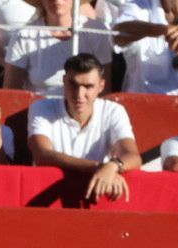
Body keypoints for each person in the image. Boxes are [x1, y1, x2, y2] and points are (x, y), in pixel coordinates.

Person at [26, 51, 139, 200]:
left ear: (101, 86)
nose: (79, 94)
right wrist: (101, 168)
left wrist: (112, 166)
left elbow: (133, 156)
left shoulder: (113, 111)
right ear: (64, 81)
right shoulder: (41, 108)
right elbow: (42, 155)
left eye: (88, 86)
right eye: (73, 84)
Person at [4, 0, 110, 92]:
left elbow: (105, 90)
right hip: (37, 111)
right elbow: (11, 91)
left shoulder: (96, 31)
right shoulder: (24, 36)